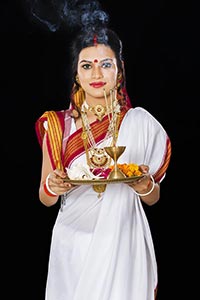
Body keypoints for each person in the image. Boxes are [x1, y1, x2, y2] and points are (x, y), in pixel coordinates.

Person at [35, 1, 171, 299]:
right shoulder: (56, 124)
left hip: (123, 239)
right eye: (87, 65)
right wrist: (53, 185)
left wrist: (143, 183)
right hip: (72, 244)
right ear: (77, 75)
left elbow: (153, 197)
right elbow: (45, 197)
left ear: (119, 72)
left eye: (105, 64)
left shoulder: (140, 123)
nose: (97, 73)